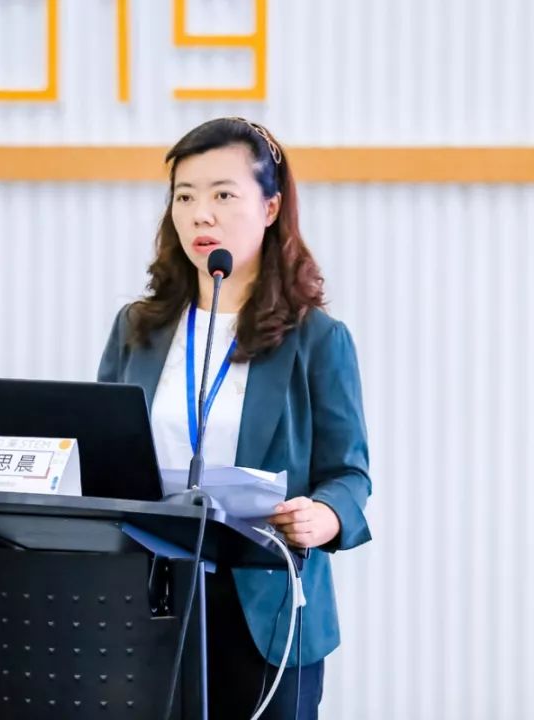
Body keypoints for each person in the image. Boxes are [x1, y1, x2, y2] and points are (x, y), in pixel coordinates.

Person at [96, 117, 372, 719]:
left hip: (266, 608)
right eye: (185, 197)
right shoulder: (137, 329)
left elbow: (350, 474)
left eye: (223, 195)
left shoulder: (316, 339)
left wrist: (324, 515)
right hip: (149, 600)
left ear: (270, 207)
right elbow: (102, 456)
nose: (201, 215)